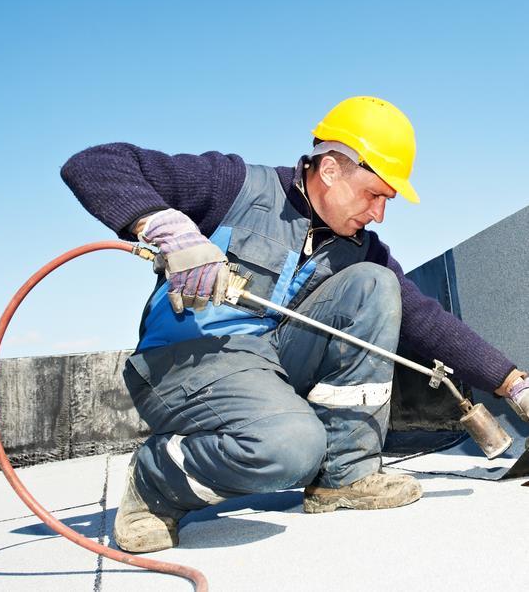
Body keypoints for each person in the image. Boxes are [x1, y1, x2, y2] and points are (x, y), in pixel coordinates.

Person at [61, 96, 529, 553]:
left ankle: (343, 476)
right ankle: (155, 481)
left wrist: (512, 384)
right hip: (184, 362)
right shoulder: (235, 186)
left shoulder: (361, 247)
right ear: (329, 170)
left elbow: (426, 321)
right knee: (290, 448)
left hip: (269, 363)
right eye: (374, 194)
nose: (379, 213)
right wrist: (168, 227)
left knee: (375, 284)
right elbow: (95, 163)